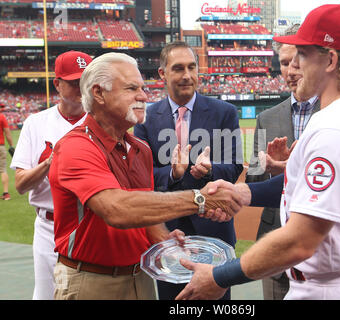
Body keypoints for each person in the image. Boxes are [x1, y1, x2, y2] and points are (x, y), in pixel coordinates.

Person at [176, 3, 340, 300]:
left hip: (334, 289)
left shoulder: (336, 129)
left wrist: (220, 276)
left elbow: (300, 241)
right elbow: (310, 185)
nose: (295, 67)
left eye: (303, 55)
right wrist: (245, 193)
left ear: (331, 60)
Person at [48, 52, 241, 300]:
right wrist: (199, 199)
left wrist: (163, 238)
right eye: (131, 88)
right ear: (98, 93)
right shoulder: (76, 146)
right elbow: (117, 209)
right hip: (91, 280)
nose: (143, 96)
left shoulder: (140, 149)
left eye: (142, 87)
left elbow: (142, 209)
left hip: (141, 277)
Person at [134, 41, 243, 300]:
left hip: (214, 232)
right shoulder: (145, 118)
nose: (187, 75)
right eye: (178, 68)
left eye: (192, 67)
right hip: (169, 237)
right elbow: (141, 175)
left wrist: (207, 170)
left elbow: (234, 166)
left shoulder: (224, 112)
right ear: (163, 73)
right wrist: (174, 173)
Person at [245, 23, 319, 300]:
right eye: (284, 63)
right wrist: (266, 167)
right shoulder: (267, 118)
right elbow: (252, 179)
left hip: (320, 248)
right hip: (275, 248)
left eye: (297, 61)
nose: (290, 70)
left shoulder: (336, 111)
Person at [10, 50, 93, 299]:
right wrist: (49, 163)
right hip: (49, 225)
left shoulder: (102, 122)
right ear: (57, 84)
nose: (81, 87)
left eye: (86, 81)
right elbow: (21, 185)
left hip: (90, 224)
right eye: (74, 81)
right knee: (47, 294)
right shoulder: (36, 123)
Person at [0, 107, 13, 200]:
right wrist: (11, 145)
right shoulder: (1, 117)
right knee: (3, 170)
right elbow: (7, 133)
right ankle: (6, 193)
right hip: (0, 146)